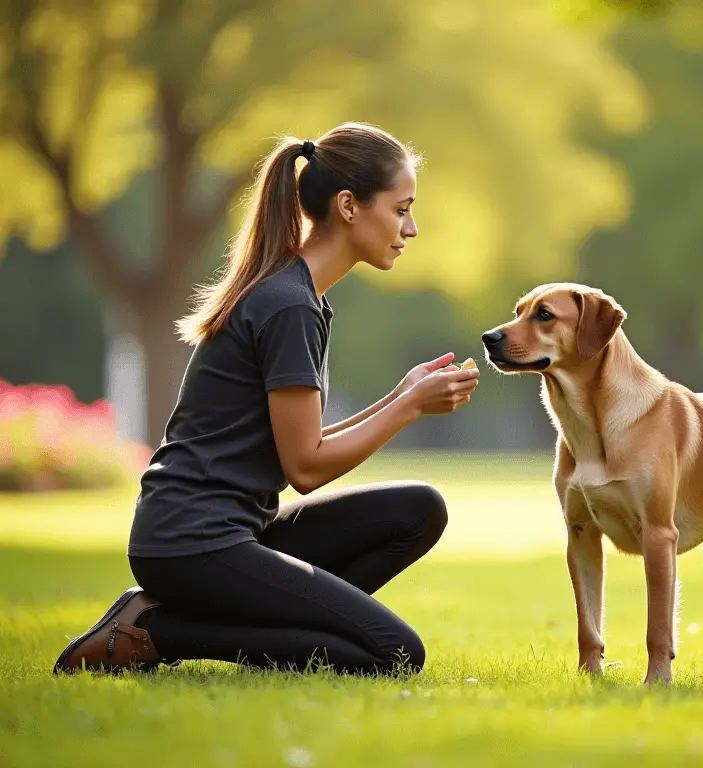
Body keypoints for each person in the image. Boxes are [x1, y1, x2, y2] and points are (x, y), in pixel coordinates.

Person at [53, 122, 480, 677]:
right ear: (349, 206)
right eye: (401, 209)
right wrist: (411, 407)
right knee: (393, 654)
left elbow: (302, 443)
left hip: (230, 532)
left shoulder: (298, 296)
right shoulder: (288, 305)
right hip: (191, 543)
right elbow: (304, 467)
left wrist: (402, 392)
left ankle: (277, 635)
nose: (412, 228)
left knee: (419, 509)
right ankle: (153, 631)